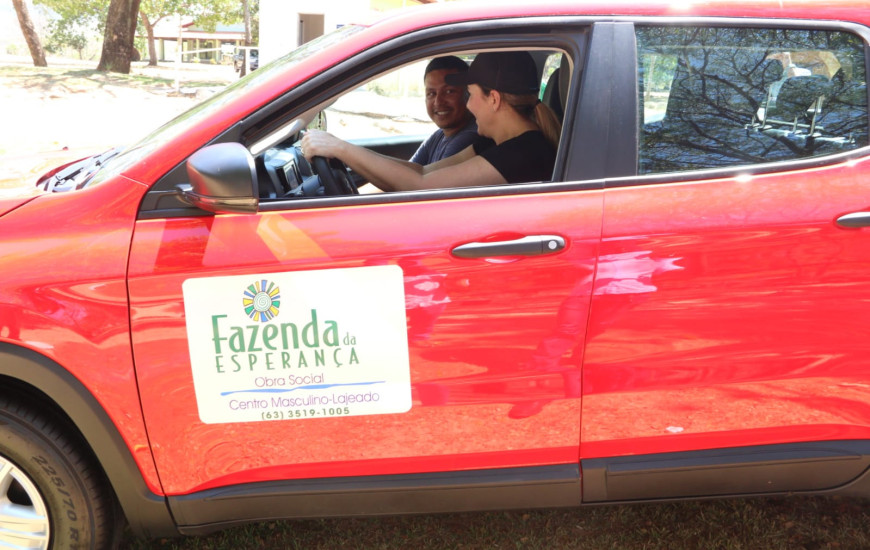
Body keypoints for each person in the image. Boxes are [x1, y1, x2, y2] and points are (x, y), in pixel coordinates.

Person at [301, 51, 562, 192]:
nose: (468, 105)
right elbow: (421, 172)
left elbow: (420, 187)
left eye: (469, 95)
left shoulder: (523, 154)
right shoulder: (492, 144)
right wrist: (344, 150)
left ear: (493, 99)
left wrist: (339, 148)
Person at [410, 56, 485, 165]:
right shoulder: (439, 135)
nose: (438, 102)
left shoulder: (469, 138)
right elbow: (412, 167)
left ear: (468, 94)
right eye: (431, 93)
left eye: (449, 91)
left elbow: (425, 180)